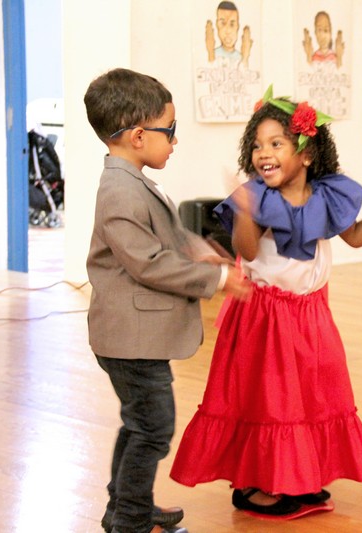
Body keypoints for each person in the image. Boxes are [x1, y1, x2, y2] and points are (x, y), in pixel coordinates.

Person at [169, 86, 362, 519]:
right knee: (269, 401)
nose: (262, 153)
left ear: (306, 154)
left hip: (311, 313)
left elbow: (357, 237)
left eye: (275, 144)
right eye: (257, 145)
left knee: (310, 396)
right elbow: (247, 251)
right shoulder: (258, 197)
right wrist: (247, 210)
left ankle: (297, 476)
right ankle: (259, 485)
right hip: (266, 317)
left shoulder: (326, 196)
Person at [83, 67, 251, 533]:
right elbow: (149, 264)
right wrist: (215, 279)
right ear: (139, 135)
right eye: (170, 131)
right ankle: (130, 521)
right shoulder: (119, 189)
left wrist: (196, 249)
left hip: (135, 338)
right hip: (129, 341)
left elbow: (159, 240)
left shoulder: (131, 182)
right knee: (153, 428)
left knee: (137, 425)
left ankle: (126, 506)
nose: (174, 142)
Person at [205, 1, 252, 69]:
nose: (228, 31)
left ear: (237, 26)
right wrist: (210, 54)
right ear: (217, 25)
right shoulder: (212, 55)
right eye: (223, 23)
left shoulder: (241, 58)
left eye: (232, 24)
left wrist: (245, 59)